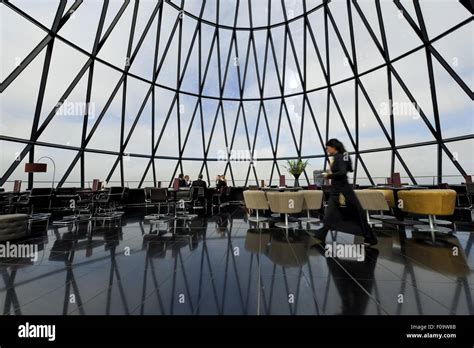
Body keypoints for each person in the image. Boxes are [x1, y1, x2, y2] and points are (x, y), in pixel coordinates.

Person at [314, 139, 378, 246]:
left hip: (343, 190)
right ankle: (322, 233)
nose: (327, 149)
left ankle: (370, 237)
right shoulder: (340, 156)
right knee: (331, 212)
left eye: (327, 147)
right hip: (337, 189)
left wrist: (328, 175)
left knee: (356, 213)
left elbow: (343, 172)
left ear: (333, 146)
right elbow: (346, 169)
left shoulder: (341, 156)